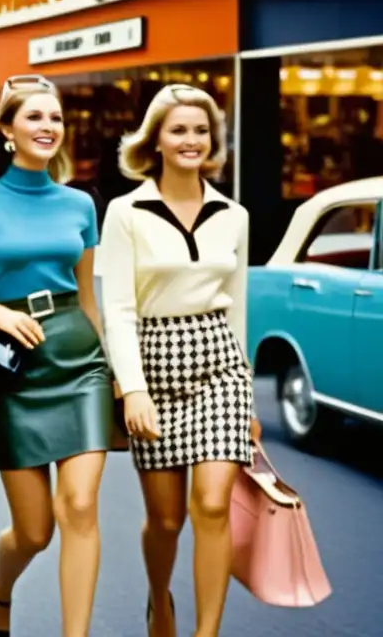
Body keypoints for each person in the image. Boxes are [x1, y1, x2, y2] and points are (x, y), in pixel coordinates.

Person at [0, 75, 113, 637]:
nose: (48, 127)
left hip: (80, 363)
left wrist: (118, 374)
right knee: (34, 531)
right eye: (34, 117)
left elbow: (89, 299)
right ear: (7, 130)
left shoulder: (81, 203)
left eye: (55, 118)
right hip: (13, 366)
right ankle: (0, 588)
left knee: (79, 506)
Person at [99, 84, 257, 637]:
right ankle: (159, 600)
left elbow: (236, 307)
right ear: (156, 141)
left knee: (213, 505)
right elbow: (117, 307)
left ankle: (206, 632)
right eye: (179, 130)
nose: (191, 140)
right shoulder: (125, 213)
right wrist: (132, 388)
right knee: (168, 519)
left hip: (219, 367)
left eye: (200, 130)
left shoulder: (234, 214)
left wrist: (248, 391)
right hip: (154, 366)